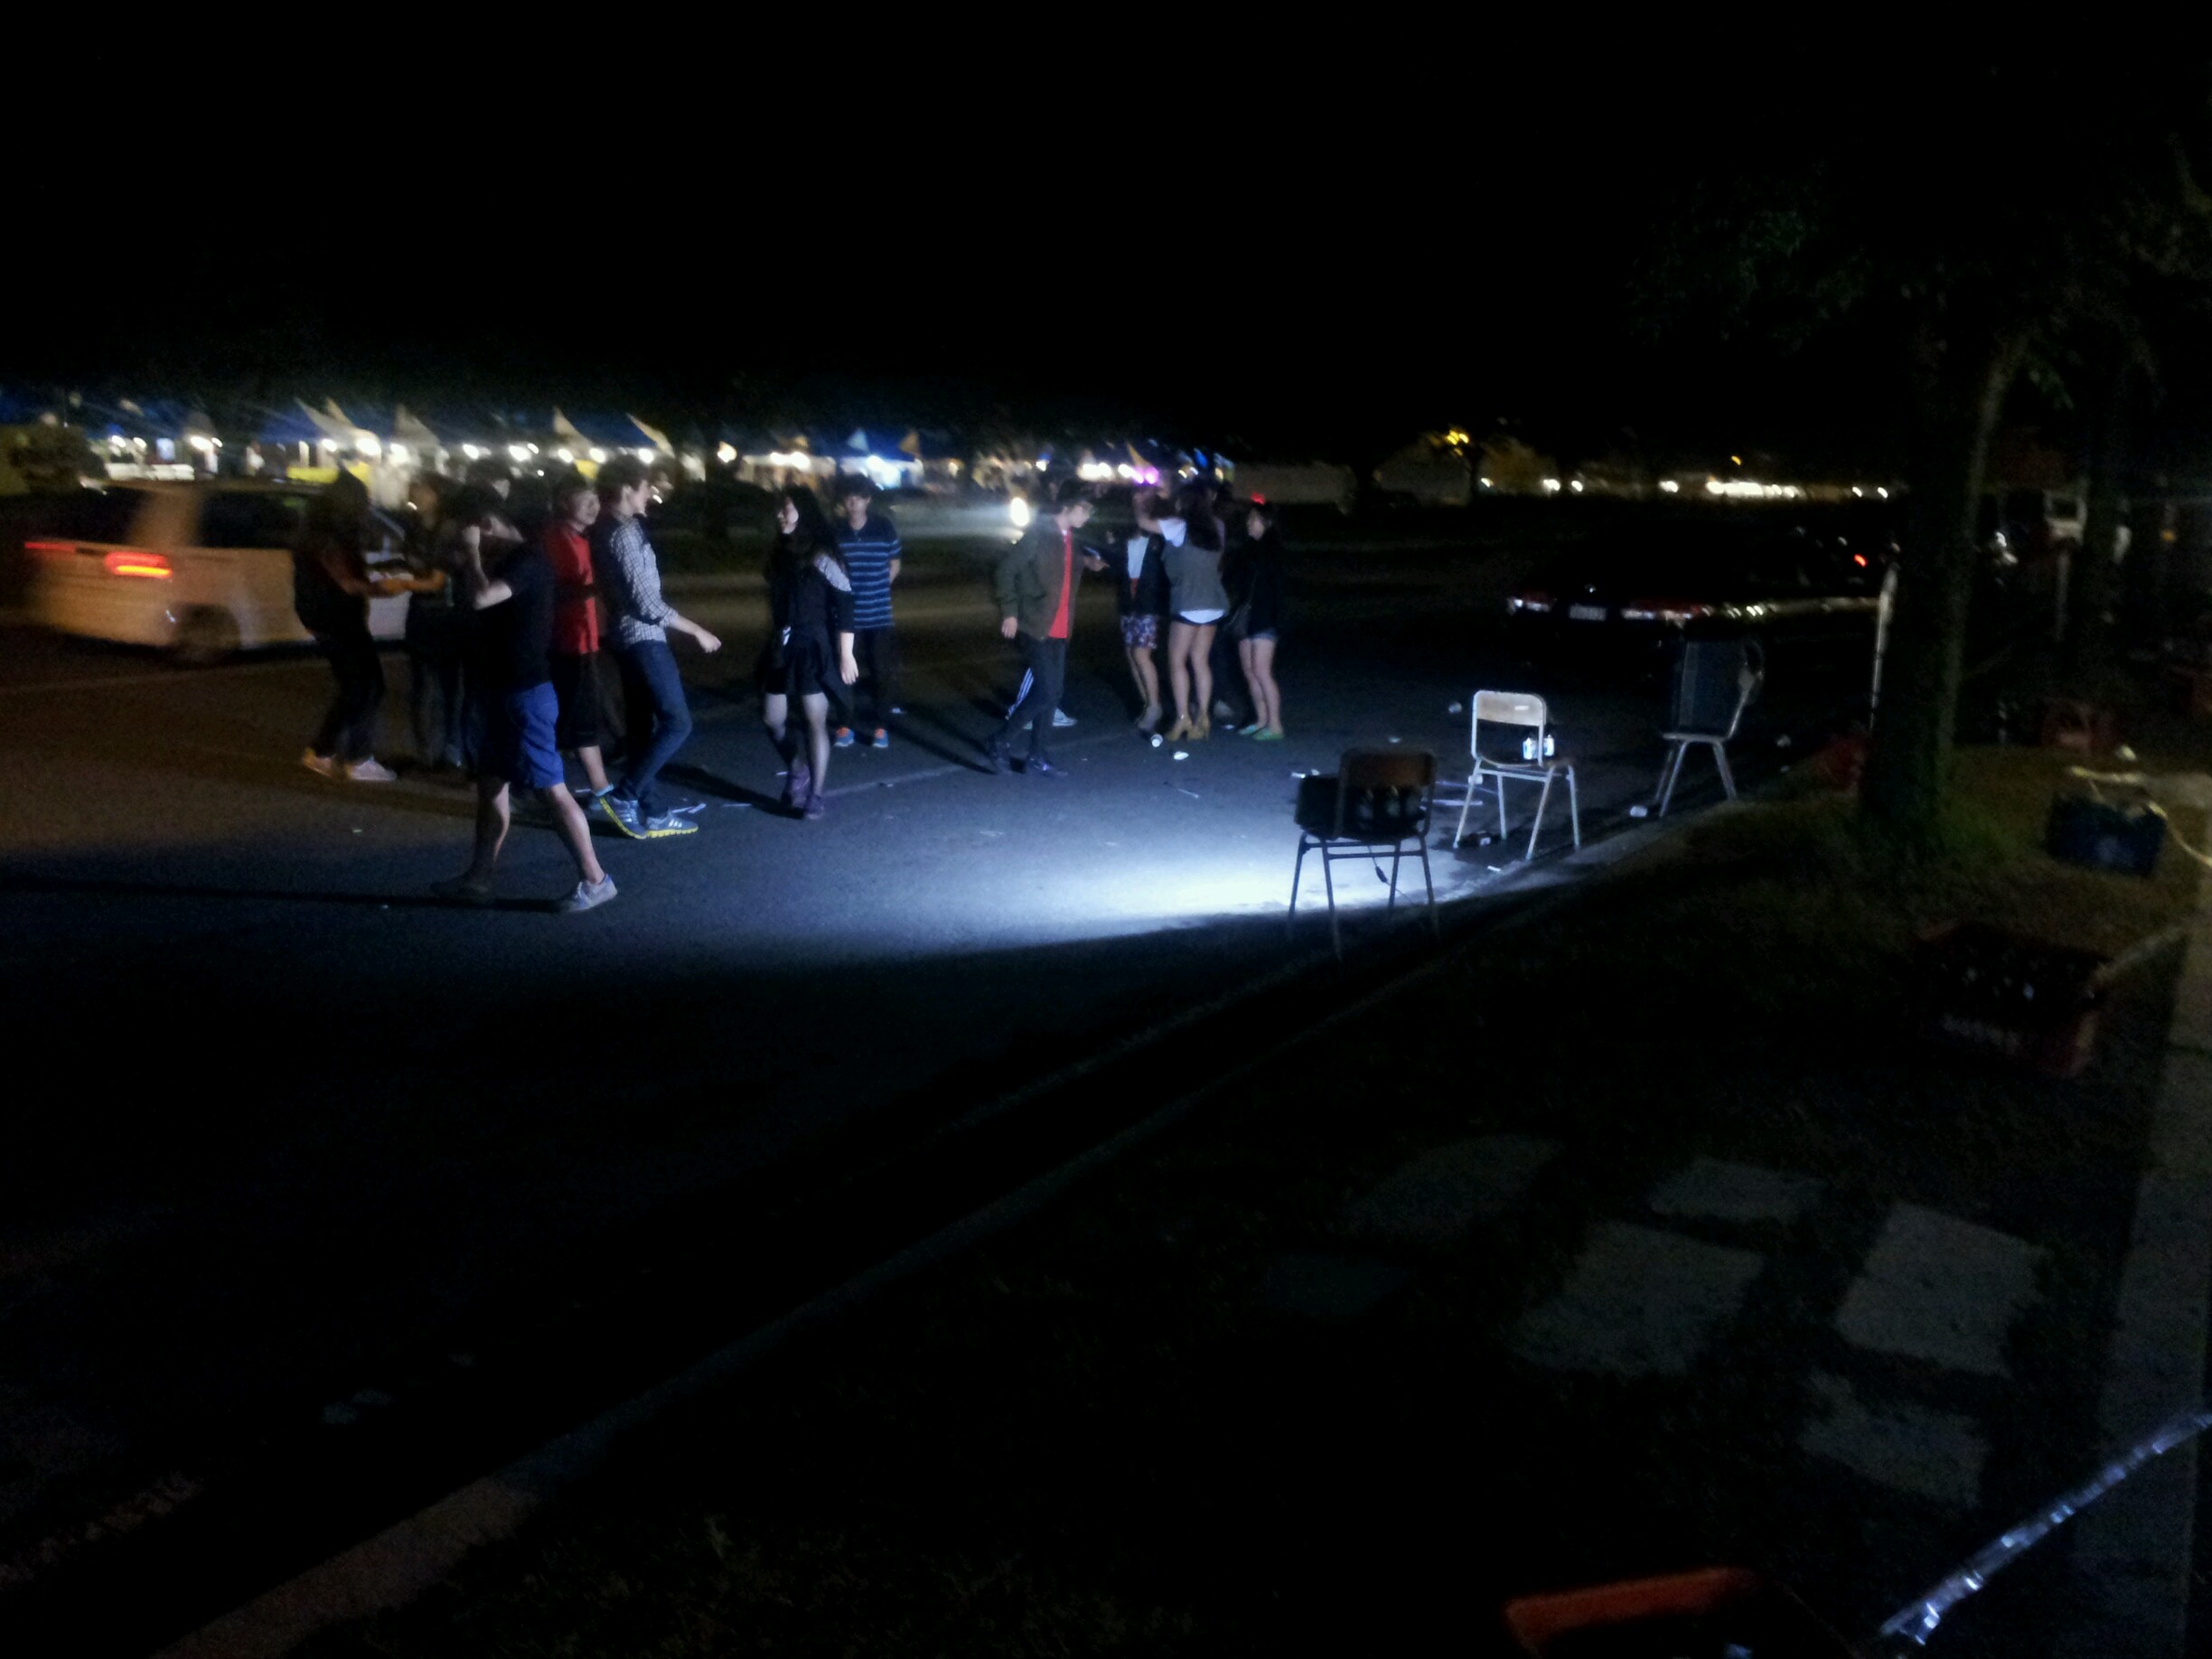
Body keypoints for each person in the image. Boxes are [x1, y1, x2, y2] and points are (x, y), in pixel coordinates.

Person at [432, 489, 615, 913]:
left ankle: (596, 879)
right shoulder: (507, 560)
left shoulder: (528, 560)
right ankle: (479, 878)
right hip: (501, 690)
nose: (470, 538)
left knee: (553, 790)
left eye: (474, 529)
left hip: (526, 694)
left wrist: (472, 554)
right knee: (491, 785)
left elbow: (482, 598)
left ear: (489, 523)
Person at [589, 455, 720, 839]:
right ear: (627, 489)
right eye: (646, 487)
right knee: (677, 722)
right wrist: (696, 630)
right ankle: (626, 796)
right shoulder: (624, 532)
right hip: (642, 638)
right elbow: (647, 603)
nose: (651, 493)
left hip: (622, 637)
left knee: (641, 727)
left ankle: (655, 811)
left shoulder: (604, 528)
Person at [295, 472, 422, 782]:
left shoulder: (321, 531)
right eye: (363, 500)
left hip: (326, 616)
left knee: (354, 687)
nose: (367, 506)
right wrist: (387, 588)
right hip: (336, 618)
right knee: (368, 685)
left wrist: (379, 571)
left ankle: (321, 751)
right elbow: (347, 583)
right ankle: (357, 758)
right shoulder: (329, 536)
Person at [985, 477, 1105, 777]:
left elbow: (1066, 565)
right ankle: (999, 740)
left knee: (1053, 691)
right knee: (1047, 691)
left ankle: (1037, 755)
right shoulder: (1039, 534)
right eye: (1085, 509)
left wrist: (1088, 563)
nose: (1088, 516)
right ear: (1068, 506)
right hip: (1035, 625)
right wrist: (1010, 612)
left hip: (1061, 627)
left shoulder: (1070, 538)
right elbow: (1005, 571)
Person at [762, 487, 859, 820]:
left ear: (804, 512)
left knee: (813, 719)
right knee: (772, 719)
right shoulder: (780, 552)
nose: (781, 515)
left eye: (787, 508)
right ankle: (797, 768)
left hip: (813, 643)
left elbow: (846, 602)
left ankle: (816, 794)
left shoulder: (820, 554)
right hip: (783, 642)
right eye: (779, 509)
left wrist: (846, 653)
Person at [543, 472, 614, 801]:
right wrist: (597, 588)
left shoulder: (582, 539)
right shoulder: (557, 540)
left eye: (595, 499)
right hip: (567, 641)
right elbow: (557, 589)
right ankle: (600, 789)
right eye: (584, 500)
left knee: (581, 715)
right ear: (563, 503)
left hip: (584, 640)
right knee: (579, 718)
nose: (593, 506)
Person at [400, 473, 468, 773]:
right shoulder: (415, 526)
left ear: (438, 495)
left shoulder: (449, 529)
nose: (415, 492)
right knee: (423, 686)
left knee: (449, 686)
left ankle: (451, 750)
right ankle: (425, 753)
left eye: (422, 488)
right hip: (422, 611)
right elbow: (415, 568)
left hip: (446, 615)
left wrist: (398, 583)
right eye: (414, 487)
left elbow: (437, 580)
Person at [830, 475, 901, 749]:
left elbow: (895, 563)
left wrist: (881, 585)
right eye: (848, 497)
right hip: (847, 615)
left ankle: (881, 725)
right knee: (846, 670)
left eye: (858, 497)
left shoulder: (883, 526)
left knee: (882, 671)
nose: (852, 502)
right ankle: (845, 724)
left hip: (879, 613)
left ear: (868, 500)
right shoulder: (836, 530)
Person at [1160, 480, 1229, 741]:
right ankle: (1204, 717)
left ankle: (1182, 718)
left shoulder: (1179, 526)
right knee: (1200, 661)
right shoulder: (1217, 526)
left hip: (1188, 601)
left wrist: (1149, 498)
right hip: (1213, 600)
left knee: (1177, 661)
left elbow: (1146, 523)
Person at [1118, 490, 1173, 732]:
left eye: (1142, 498)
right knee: (1132, 655)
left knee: (1141, 654)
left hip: (1149, 602)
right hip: (1128, 600)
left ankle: (1154, 706)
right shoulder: (1128, 530)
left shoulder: (1160, 531)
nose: (1136, 501)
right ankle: (1148, 703)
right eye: (1135, 497)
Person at [1234, 498, 1288, 739]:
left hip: (1265, 617)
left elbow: (1277, 590)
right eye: (1248, 519)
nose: (1248, 523)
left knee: (1261, 670)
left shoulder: (1273, 551)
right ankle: (1261, 719)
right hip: (1248, 616)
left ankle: (1275, 725)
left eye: (1253, 519)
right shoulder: (1249, 549)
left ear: (1266, 522)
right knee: (1249, 671)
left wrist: (1276, 619)